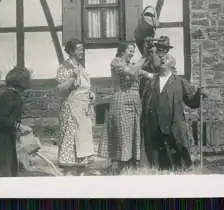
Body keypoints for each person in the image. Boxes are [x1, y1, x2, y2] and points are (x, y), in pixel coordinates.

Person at [140, 36, 206, 171]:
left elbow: (192, 102)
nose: (163, 58)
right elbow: (145, 104)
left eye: (166, 57)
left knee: (179, 164)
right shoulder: (150, 83)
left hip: (174, 128)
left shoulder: (179, 82)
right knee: (158, 166)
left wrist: (200, 94)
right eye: (160, 57)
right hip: (155, 130)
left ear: (171, 62)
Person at [98, 42, 153, 173]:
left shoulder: (133, 65)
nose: (132, 53)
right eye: (130, 50)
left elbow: (148, 74)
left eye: (134, 51)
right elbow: (131, 72)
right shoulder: (116, 62)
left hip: (135, 102)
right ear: (122, 51)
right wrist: (143, 57)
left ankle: (131, 163)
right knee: (122, 132)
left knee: (134, 132)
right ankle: (119, 164)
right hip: (121, 99)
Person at [56, 38, 96, 175]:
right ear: (72, 51)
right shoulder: (65, 67)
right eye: (79, 49)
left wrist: (91, 94)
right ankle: (68, 176)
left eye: (82, 49)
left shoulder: (81, 67)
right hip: (72, 110)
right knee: (71, 141)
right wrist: (72, 78)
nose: (82, 52)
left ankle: (81, 175)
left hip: (83, 110)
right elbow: (61, 88)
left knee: (83, 144)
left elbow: (84, 87)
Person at [0, 66, 31, 177]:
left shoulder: (13, 96)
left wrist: (17, 128)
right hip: (0, 138)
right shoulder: (8, 97)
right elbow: (2, 119)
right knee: (2, 168)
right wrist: (19, 126)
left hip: (6, 136)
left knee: (9, 166)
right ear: (21, 82)